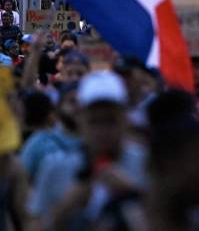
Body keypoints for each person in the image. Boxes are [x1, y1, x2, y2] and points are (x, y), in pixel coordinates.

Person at [28, 71, 148, 230]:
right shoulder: (55, 168)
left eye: (110, 121)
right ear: (81, 119)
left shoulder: (147, 164)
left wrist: (133, 195)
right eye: (94, 121)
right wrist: (68, 206)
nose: (102, 130)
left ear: (125, 119)